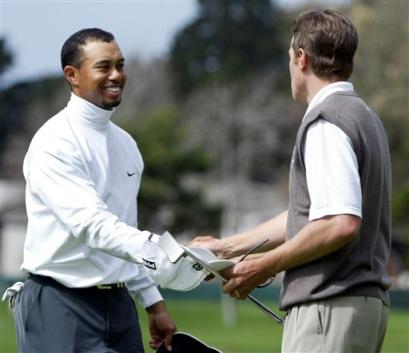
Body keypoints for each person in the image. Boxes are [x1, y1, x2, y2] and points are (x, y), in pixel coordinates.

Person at [191, 9, 392, 353]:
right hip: (360, 308)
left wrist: (265, 265)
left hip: (328, 309)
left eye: (289, 57)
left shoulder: (327, 121)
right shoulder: (365, 117)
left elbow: (340, 223)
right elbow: (310, 217)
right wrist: (229, 248)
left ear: (302, 58)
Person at [5, 27, 193, 353]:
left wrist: (153, 302)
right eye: (104, 66)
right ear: (72, 75)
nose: (116, 75)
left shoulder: (127, 145)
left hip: (118, 306)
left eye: (120, 65)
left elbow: (122, 232)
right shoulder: (54, 143)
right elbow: (92, 226)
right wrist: (159, 251)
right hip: (59, 302)